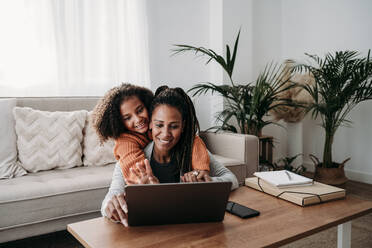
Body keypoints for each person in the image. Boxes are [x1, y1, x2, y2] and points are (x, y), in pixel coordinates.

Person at [101, 86, 239, 227]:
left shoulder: (192, 150)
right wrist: (110, 206)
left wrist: (204, 183)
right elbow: (109, 198)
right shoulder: (129, 156)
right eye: (159, 125)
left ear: (183, 126)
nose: (166, 134)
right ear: (150, 125)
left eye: (173, 126)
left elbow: (231, 179)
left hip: (191, 229)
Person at [91, 83, 211, 182]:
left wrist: (201, 170)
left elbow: (193, 140)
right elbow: (133, 164)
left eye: (140, 110)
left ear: (147, 105)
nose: (138, 119)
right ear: (119, 122)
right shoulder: (125, 142)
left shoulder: (155, 126)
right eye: (128, 118)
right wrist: (145, 180)